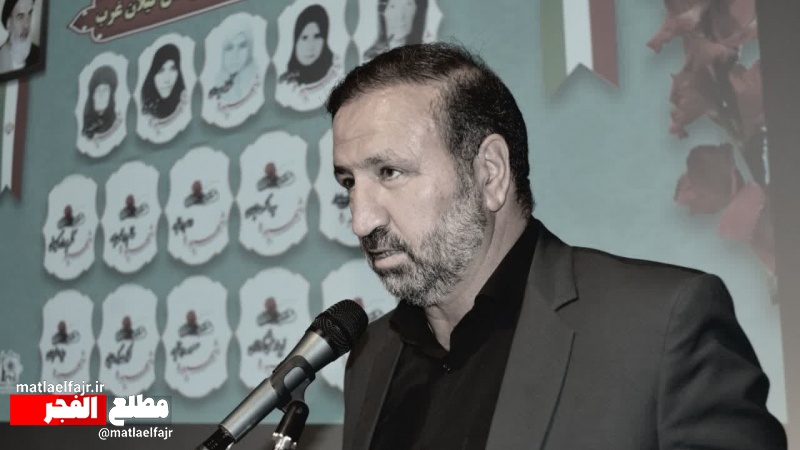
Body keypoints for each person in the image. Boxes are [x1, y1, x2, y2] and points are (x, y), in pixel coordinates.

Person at [326, 43, 787, 450]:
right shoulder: (372, 356)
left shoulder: (662, 325)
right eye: (349, 182)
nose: (361, 220)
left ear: (490, 173)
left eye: (389, 173)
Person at [278, 4, 334, 86]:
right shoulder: (286, 81)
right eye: (304, 38)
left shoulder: (333, 71)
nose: (310, 47)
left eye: (317, 36)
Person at [208, 27, 259, 105]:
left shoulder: (252, 78)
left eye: (242, 46)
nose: (235, 55)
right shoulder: (218, 82)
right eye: (229, 48)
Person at [363, 0, 427, 61]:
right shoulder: (371, 58)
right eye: (393, 6)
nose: (400, 15)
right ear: (383, 13)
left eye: (408, 4)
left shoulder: (423, 57)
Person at [141, 43, 186, 120]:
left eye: (173, 69)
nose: (167, 80)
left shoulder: (183, 103)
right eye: (161, 71)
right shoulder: (148, 111)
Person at [0, 0, 38, 73]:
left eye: (30, 14)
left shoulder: (38, 55)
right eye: (20, 17)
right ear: (8, 23)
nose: (27, 25)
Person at [82, 65, 118, 139]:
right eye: (98, 90)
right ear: (92, 95)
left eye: (105, 90)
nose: (101, 95)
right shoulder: (86, 126)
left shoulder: (116, 124)